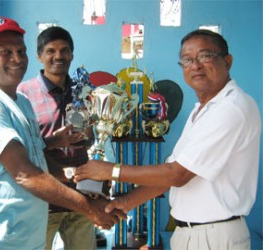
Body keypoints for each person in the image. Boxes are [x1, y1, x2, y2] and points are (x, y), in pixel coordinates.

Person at [74, 29, 261, 250]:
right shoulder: (203, 110)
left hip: (214, 236)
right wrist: (125, 203)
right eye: (187, 59)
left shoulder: (232, 107)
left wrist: (110, 171)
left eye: (205, 56)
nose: (196, 65)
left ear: (227, 61)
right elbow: (169, 176)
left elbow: (178, 174)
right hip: (192, 233)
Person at [0, 16, 123, 250]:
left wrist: (83, 179)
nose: (16, 59)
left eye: (20, 51)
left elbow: (38, 159)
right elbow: (26, 173)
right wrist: (88, 206)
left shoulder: (21, 101)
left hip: (26, 236)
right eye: (5, 52)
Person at [17, 26, 97, 250]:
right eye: (51, 51)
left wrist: (88, 135)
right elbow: (22, 148)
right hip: (43, 198)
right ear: (39, 56)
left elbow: (89, 140)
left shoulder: (83, 91)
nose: (58, 56)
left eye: (64, 50)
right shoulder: (24, 93)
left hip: (80, 195)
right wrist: (55, 141)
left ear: (72, 55)